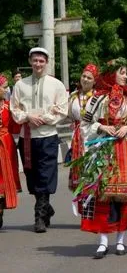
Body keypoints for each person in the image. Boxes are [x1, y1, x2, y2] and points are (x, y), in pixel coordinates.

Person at [80, 58, 127, 258]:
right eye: (121, 72)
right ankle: (103, 240)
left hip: (124, 149)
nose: (125, 76)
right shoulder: (97, 99)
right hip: (103, 148)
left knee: (124, 197)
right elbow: (84, 125)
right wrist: (100, 126)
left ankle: (121, 240)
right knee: (103, 195)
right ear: (111, 73)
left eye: (126, 73)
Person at [10, 47, 68, 233]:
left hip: (47, 136)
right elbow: (15, 109)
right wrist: (28, 117)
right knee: (31, 176)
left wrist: (44, 119)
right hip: (27, 137)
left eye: (41, 61)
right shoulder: (20, 85)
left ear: (47, 62)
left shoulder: (56, 84)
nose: (38, 64)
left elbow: (62, 109)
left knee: (45, 175)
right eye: (35, 60)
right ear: (30, 62)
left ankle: (39, 216)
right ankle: (46, 208)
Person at [67, 64, 99, 192]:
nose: (85, 79)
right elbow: (68, 115)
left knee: (92, 168)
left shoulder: (99, 96)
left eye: (89, 78)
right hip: (77, 137)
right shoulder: (74, 96)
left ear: (95, 81)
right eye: (84, 76)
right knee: (79, 168)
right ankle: (81, 205)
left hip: (93, 136)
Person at [0, 74, 21, 229]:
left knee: (5, 178)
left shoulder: (8, 106)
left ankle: (1, 208)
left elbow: (16, 126)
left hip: (6, 144)